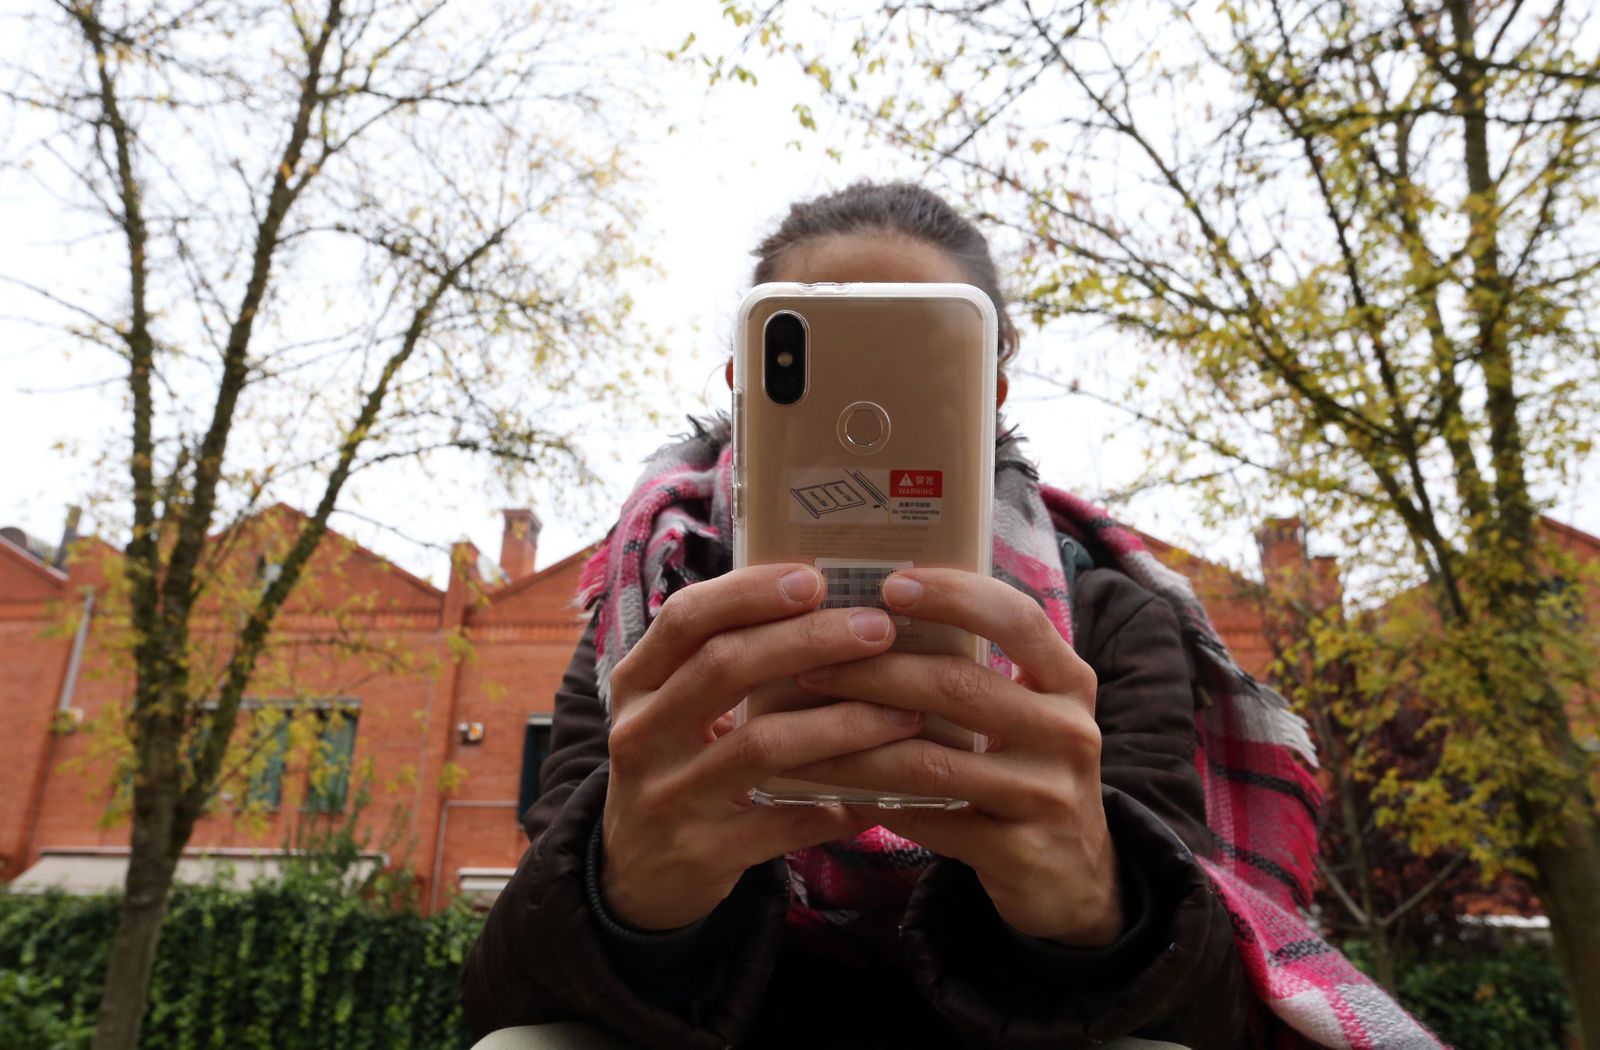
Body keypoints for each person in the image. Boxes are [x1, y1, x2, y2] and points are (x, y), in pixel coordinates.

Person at [461, 183, 1437, 1050]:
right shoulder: (649, 617)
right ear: (742, 381)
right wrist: (626, 892)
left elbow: (1211, 1009)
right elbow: (503, 989)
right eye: (831, 349)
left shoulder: (1105, 617)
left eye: (917, 363)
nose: (868, 417)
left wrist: (1095, 905)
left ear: (992, 393)